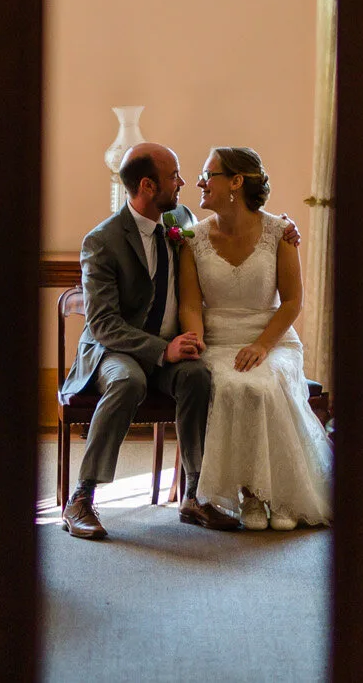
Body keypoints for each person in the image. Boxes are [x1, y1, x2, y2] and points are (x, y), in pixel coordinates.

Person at [58, 142, 241, 539]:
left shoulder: (180, 218)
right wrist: (162, 349)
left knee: (197, 376)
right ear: (147, 185)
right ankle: (81, 497)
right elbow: (104, 324)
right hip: (116, 350)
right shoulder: (102, 241)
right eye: (173, 176)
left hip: (169, 348)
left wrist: (281, 227)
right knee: (128, 381)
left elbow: (229, 229)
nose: (183, 182)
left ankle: (194, 494)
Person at [179, 146, 333, 530]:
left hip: (272, 338)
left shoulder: (280, 232)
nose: (199, 182)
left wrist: (263, 345)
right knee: (235, 385)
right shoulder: (192, 238)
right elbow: (191, 304)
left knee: (263, 384)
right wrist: (196, 340)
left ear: (235, 182)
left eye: (207, 175)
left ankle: (280, 494)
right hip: (219, 342)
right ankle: (249, 493)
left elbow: (293, 301)